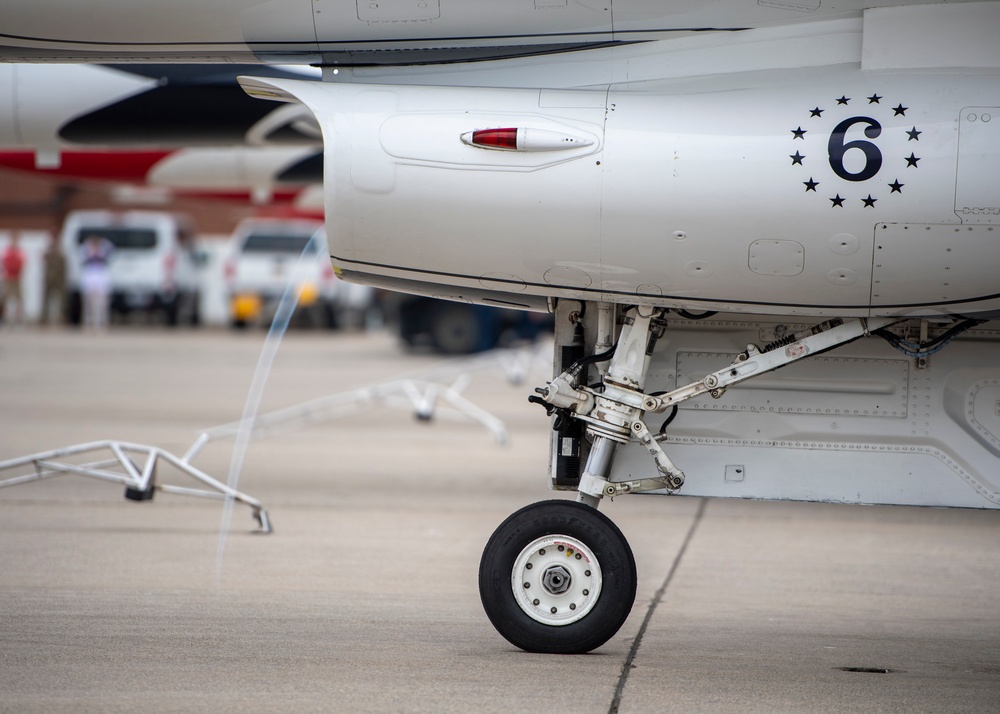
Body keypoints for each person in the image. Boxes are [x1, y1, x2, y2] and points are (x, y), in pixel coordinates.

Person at [79, 234, 114, 331]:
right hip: (90, 278)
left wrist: (101, 243)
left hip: (101, 279)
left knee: (101, 304)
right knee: (88, 304)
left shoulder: (103, 254)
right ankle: (88, 323)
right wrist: (90, 247)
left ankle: (101, 324)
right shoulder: (86, 254)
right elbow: (82, 251)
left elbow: (110, 247)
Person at [40, 235, 67, 325]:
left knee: (59, 300)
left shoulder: (61, 254)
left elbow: (63, 268)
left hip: (58, 280)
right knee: (46, 300)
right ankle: (44, 318)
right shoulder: (48, 253)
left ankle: (59, 318)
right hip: (49, 279)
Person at [1, 234, 26, 327]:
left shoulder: (19, 252)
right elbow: (5, 263)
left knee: (19, 299)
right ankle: (5, 318)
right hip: (8, 278)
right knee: (5, 299)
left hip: (17, 279)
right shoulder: (7, 252)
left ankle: (18, 319)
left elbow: (22, 264)